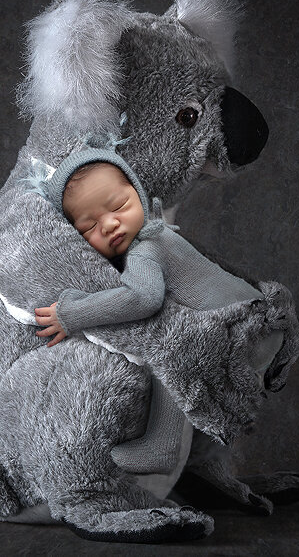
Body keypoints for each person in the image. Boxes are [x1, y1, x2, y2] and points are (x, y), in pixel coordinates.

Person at [30, 146, 266, 474]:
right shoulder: (160, 235)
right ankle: (202, 465)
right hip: (259, 319)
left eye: (118, 206)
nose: (110, 224)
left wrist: (72, 313)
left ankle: (162, 446)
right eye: (89, 226)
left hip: (241, 330)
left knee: (169, 346)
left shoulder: (146, 250)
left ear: (139, 195)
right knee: (179, 340)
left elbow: (143, 299)